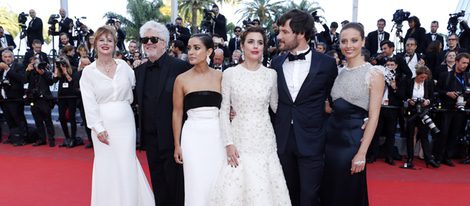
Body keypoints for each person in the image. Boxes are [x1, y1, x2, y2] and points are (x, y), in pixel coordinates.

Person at [210, 25, 290, 206]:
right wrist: (228, 143)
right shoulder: (230, 73)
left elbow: (277, 107)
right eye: (251, 42)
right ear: (242, 45)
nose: (256, 46)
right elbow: (224, 111)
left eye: (260, 42)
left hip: (264, 138)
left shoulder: (271, 75)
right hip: (239, 136)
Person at [79, 25, 154, 206]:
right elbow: (89, 104)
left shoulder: (124, 67)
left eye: (110, 40)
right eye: (102, 40)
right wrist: (98, 128)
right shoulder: (88, 72)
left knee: (127, 161)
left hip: (126, 122)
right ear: (95, 44)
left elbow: (136, 88)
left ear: (115, 44)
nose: (106, 43)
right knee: (106, 165)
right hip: (103, 125)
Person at [270, 9, 338, 206]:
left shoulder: (326, 64)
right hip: (282, 140)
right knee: (286, 195)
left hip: (312, 140)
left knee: (309, 197)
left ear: (300, 33)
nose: (279, 36)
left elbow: (332, 98)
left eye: (284, 31)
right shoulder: (276, 62)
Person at [321, 22, 384, 206]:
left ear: (363, 41)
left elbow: (374, 116)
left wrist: (362, 153)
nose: (348, 45)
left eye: (354, 40)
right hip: (330, 137)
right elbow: (332, 107)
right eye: (344, 41)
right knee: (329, 188)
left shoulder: (374, 73)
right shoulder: (339, 72)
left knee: (347, 190)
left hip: (352, 141)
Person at [134, 20, 191, 206]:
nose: (148, 43)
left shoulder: (180, 68)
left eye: (153, 39)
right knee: (158, 184)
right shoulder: (139, 71)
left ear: (164, 43)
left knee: (177, 185)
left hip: (173, 139)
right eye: (144, 39)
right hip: (150, 139)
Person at [172, 33, 225, 206]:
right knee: (195, 182)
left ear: (209, 51)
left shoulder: (220, 77)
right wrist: (177, 145)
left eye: (196, 48)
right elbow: (177, 113)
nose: (191, 52)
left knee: (217, 180)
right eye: (189, 48)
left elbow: (227, 108)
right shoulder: (181, 79)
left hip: (217, 135)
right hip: (192, 136)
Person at [435, 52, 470, 167]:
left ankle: (448, 157)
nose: (465, 65)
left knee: (454, 134)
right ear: (457, 62)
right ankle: (438, 157)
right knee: (443, 133)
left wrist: (465, 101)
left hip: (460, 109)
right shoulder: (445, 75)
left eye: (467, 63)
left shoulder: (467, 76)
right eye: (463, 62)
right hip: (446, 109)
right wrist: (447, 93)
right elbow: (437, 91)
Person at [402, 65, 440, 169]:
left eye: (425, 77)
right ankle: (410, 158)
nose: (423, 79)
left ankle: (428, 159)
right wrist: (409, 100)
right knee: (410, 135)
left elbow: (432, 97)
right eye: (421, 77)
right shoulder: (409, 82)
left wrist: (428, 101)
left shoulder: (428, 83)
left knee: (424, 135)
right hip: (411, 111)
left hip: (424, 111)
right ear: (417, 75)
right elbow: (403, 95)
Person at [25, 56, 55, 147]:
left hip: (44, 100)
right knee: (38, 121)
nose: (36, 65)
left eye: (37, 62)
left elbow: (51, 82)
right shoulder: (30, 72)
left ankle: (51, 139)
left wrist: (43, 73)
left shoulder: (45, 71)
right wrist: (27, 71)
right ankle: (42, 139)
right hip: (34, 99)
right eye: (34, 63)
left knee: (48, 120)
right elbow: (24, 80)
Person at [53, 57, 82, 148]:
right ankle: (67, 137)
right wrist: (56, 71)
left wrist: (65, 73)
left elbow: (73, 82)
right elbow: (53, 81)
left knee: (72, 117)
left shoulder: (73, 69)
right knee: (61, 117)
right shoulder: (59, 71)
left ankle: (73, 138)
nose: (61, 65)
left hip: (71, 96)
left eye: (62, 63)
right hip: (62, 96)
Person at [0, 50, 27, 146]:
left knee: (18, 119)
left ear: (13, 57)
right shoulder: (1, 68)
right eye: (5, 57)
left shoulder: (19, 66)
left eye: (9, 57)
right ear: (2, 58)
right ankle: (13, 137)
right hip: (4, 98)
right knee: (9, 119)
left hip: (15, 98)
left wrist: (8, 69)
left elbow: (22, 79)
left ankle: (23, 138)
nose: (7, 58)